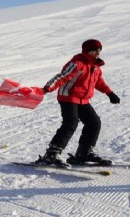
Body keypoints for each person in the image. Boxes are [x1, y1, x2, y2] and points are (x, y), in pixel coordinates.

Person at [35, 39, 120, 168]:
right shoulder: (77, 64)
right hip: (68, 97)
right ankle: (52, 153)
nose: (98, 53)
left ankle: (84, 153)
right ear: (87, 51)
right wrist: (47, 88)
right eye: (94, 50)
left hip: (83, 100)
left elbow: (99, 82)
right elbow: (62, 77)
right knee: (71, 123)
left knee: (94, 122)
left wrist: (110, 93)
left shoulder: (95, 67)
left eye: (99, 50)